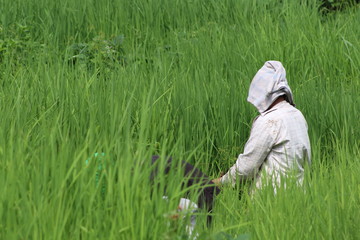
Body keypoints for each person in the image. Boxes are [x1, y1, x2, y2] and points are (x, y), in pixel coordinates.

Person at [213, 61, 311, 192]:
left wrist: (221, 182)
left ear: (264, 93)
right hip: (299, 194)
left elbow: (247, 167)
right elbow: (307, 161)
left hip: (271, 198)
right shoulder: (297, 115)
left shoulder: (269, 121)